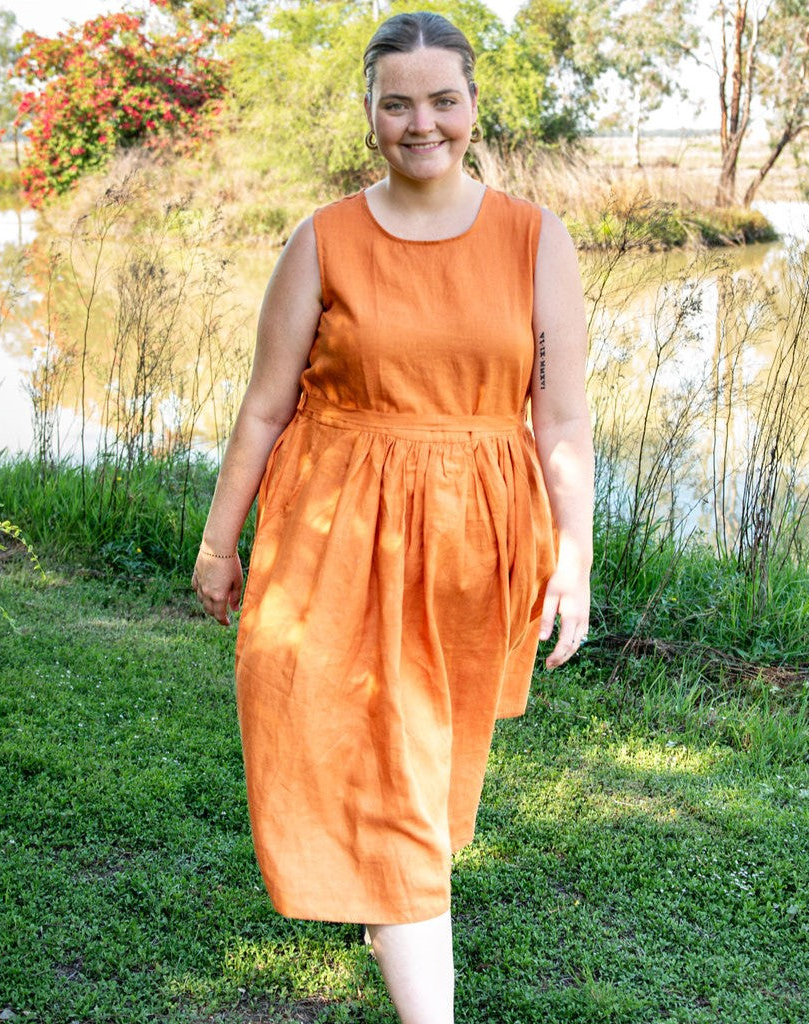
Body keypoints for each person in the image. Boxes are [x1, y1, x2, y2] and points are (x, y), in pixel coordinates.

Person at [191, 11, 593, 1023]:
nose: (423, 124)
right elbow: (263, 406)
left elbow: (564, 419)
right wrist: (216, 540)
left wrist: (574, 556)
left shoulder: (534, 239)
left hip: (477, 545)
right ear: (369, 112)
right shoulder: (322, 239)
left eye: (442, 100)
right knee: (397, 775)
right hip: (333, 542)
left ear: (470, 106)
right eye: (398, 102)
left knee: (430, 772)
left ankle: (388, 900)